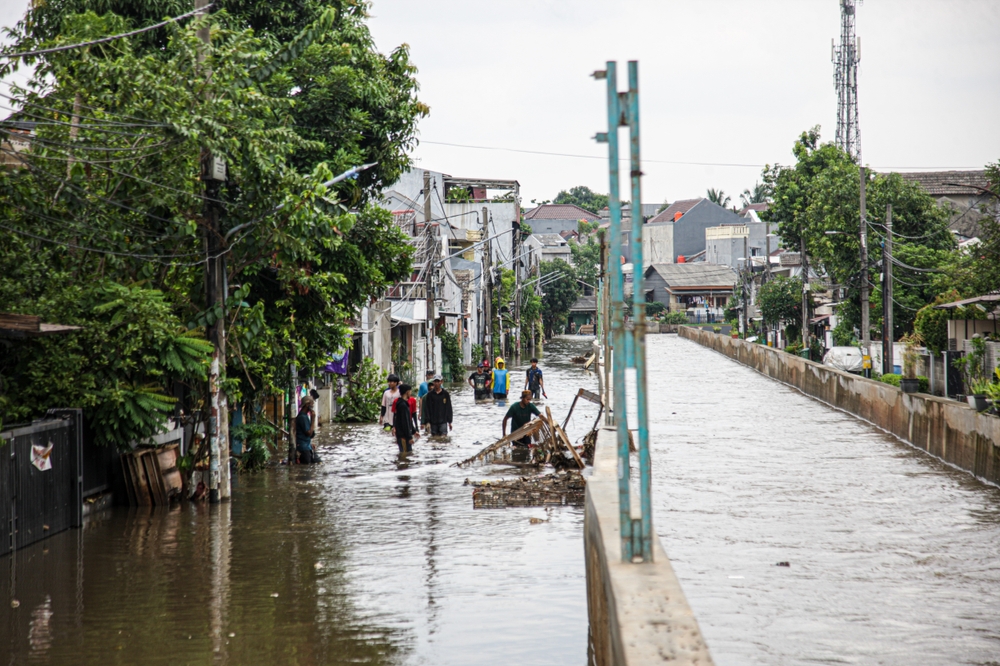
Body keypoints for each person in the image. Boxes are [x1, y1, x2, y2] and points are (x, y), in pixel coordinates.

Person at [391, 384, 418, 453]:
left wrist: (414, 431)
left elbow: (408, 419)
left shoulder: (403, 404)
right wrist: (409, 437)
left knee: (406, 455)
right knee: (405, 454)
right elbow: (405, 422)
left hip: (403, 435)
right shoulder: (403, 406)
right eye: (410, 391)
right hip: (403, 436)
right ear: (407, 392)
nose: (411, 393)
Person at [296, 396, 319, 463]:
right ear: (307, 405)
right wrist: (313, 419)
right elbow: (309, 433)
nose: (313, 405)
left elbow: (310, 434)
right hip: (303, 448)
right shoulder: (302, 417)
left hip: (307, 446)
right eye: (312, 403)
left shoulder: (304, 416)